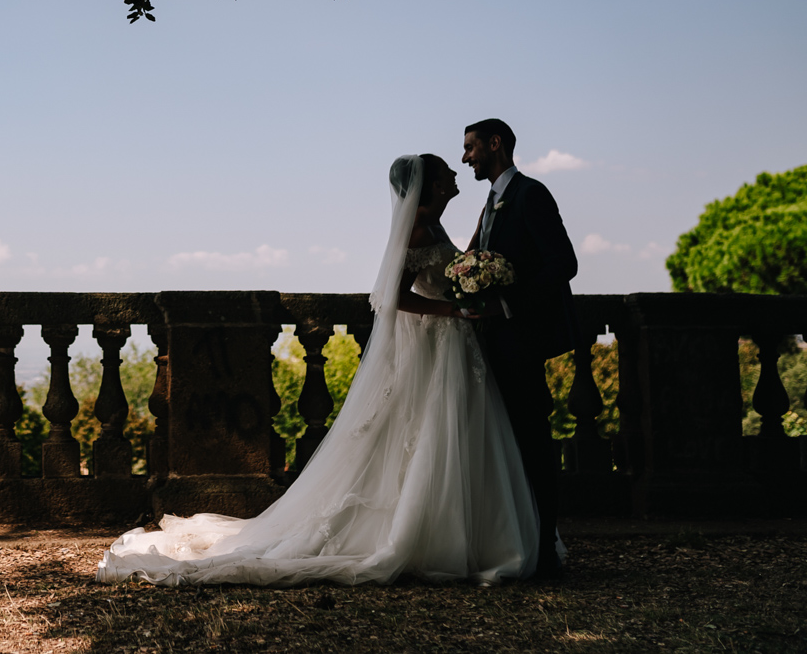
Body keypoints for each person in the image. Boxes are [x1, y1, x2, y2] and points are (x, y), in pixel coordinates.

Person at [97, 154, 541, 586]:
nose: (455, 169)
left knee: (453, 434)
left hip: (452, 348)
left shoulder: (434, 224)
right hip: (436, 344)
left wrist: (472, 283)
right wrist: (452, 308)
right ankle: (430, 537)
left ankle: (469, 536)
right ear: (433, 185)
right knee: (428, 433)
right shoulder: (418, 229)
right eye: (445, 169)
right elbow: (392, 298)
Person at [461, 118, 579, 578]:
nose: (466, 157)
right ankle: (519, 540)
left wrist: (506, 305)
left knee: (532, 441)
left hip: (521, 342)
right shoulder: (490, 203)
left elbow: (563, 263)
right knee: (505, 446)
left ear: (496, 144)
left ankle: (545, 548)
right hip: (492, 344)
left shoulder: (531, 194)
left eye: (470, 147)